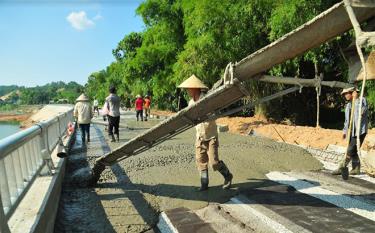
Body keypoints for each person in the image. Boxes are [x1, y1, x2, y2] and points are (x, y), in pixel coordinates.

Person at [178, 74, 233, 191]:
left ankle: (228, 176)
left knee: (214, 162)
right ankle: (204, 184)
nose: (187, 91)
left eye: (189, 89)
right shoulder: (190, 103)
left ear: (195, 88)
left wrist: (204, 116)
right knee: (201, 161)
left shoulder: (207, 99)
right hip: (200, 137)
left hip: (211, 136)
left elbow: (214, 115)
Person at [332, 87, 368, 176]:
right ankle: (356, 168)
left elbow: (362, 111)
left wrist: (356, 100)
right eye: (344, 94)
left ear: (352, 93)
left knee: (351, 149)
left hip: (360, 131)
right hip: (352, 131)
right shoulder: (348, 105)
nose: (345, 96)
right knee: (354, 150)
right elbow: (347, 121)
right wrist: (344, 131)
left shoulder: (362, 100)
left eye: (346, 93)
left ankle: (342, 167)